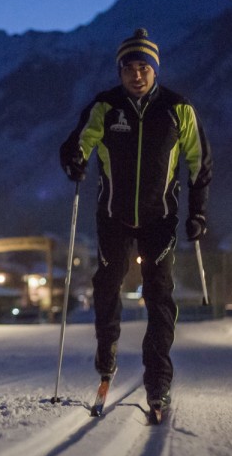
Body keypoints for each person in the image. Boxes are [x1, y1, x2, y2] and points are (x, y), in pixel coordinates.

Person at [59, 27, 212, 418]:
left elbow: (199, 164)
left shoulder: (178, 109)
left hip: (160, 219)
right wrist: (73, 159)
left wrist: (198, 213)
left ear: (154, 70)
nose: (136, 75)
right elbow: (77, 143)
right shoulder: (106, 107)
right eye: (128, 68)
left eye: (143, 67)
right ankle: (106, 354)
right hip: (114, 216)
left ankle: (158, 380)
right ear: (120, 72)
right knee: (106, 283)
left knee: (158, 296)